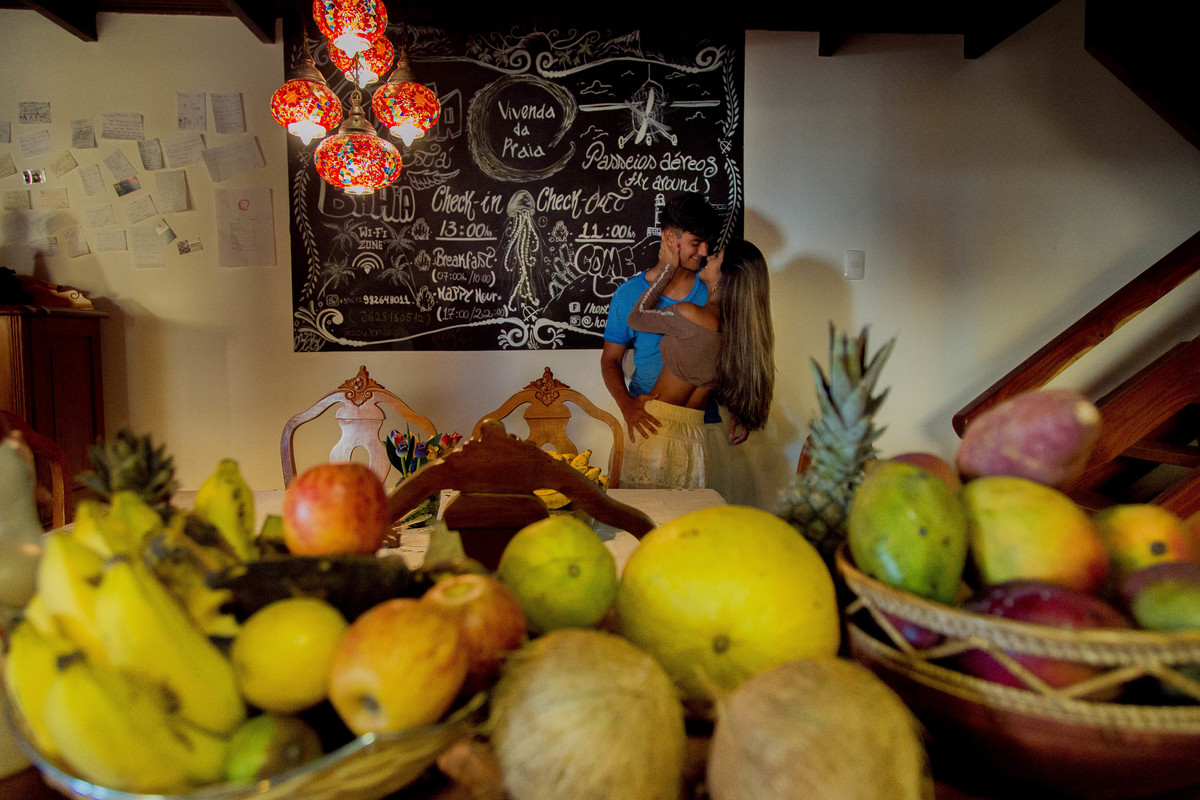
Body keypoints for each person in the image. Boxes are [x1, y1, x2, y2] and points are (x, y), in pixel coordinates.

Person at [619, 238, 775, 489]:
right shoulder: (740, 335)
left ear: (727, 275)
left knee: (645, 523)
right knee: (688, 524)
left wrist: (667, 270)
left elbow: (636, 318)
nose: (708, 257)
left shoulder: (691, 314)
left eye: (717, 257)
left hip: (656, 429)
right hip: (697, 436)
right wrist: (738, 410)